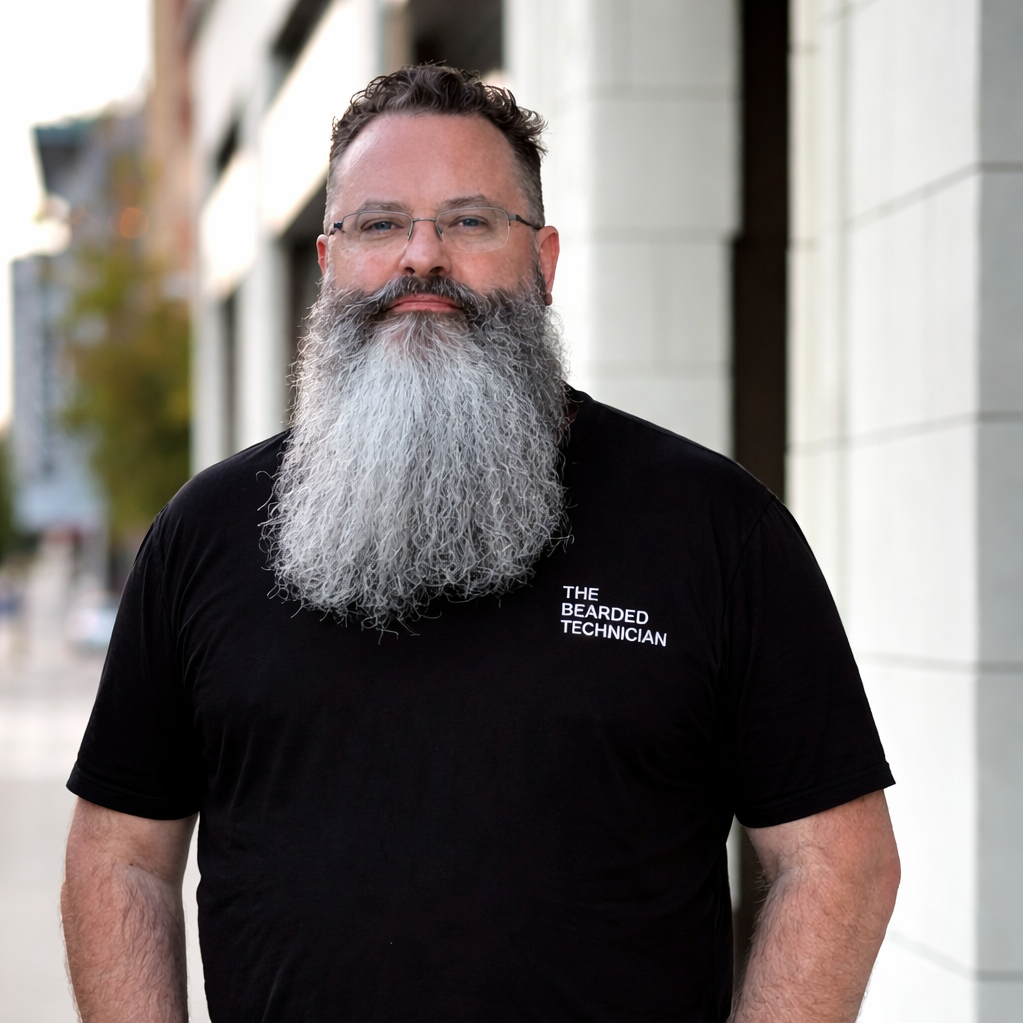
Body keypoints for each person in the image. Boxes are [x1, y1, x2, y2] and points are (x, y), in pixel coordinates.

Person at [61, 65, 899, 1023]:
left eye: (468, 221)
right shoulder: (206, 533)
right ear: (329, 260)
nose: (421, 257)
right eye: (379, 224)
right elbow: (119, 856)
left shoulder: (713, 525)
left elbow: (840, 859)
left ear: (543, 260)